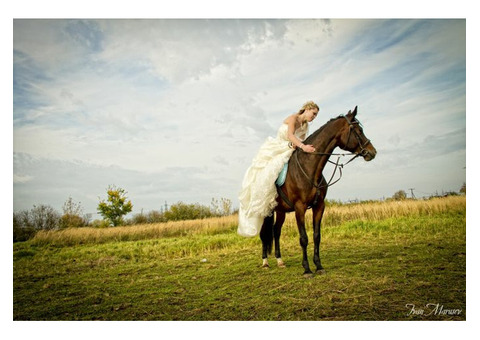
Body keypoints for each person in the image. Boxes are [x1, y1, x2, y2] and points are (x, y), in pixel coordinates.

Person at [238, 101, 319, 237]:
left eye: (316, 115)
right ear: (307, 109)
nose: (314, 117)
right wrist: (302, 146)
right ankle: (268, 197)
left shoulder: (305, 126)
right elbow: (291, 136)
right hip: (280, 147)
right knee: (270, 171)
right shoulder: (293, 118)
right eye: (314, 113)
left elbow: (302, 140)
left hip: (293, 148)